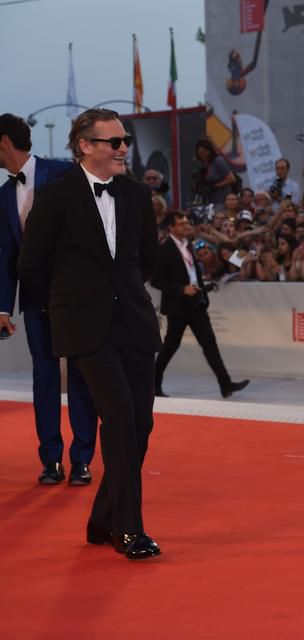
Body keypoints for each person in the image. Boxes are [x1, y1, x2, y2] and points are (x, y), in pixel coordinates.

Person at [19, 108, 164, 560]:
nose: (124, 149)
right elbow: (32, 267)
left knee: (140, 424)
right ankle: (128, 529)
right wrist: (67, 309)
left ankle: (102, 518)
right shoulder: (55, 196)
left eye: (125, 142)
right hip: (85, 327)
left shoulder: (138, 195)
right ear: (85, 145)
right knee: (119, 414)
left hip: (134, 324)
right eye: (115, 142)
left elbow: (147, 260)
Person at [0, 113, 97, 486]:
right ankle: (51, 460)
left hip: (75, 296)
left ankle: (83, 458)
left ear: (5, 141)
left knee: (80, 376)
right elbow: (6, 256)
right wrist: (4, 307)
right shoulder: (4, 196)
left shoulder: (62, 172)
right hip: (36, 300)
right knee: (43, 381)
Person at [151, 211, 250, 399]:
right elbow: (156, 280)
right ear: (171, 227)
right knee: (171, 345)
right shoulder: (165, 249)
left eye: (187, 223)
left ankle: (225, 384)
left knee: (209, 344)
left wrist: (201, 286)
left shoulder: (188, 245)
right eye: (181, 224)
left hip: (196, 302)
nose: (186, 226)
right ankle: (154, 382)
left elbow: (191, 271)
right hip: (178, 305)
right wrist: (181, 289)